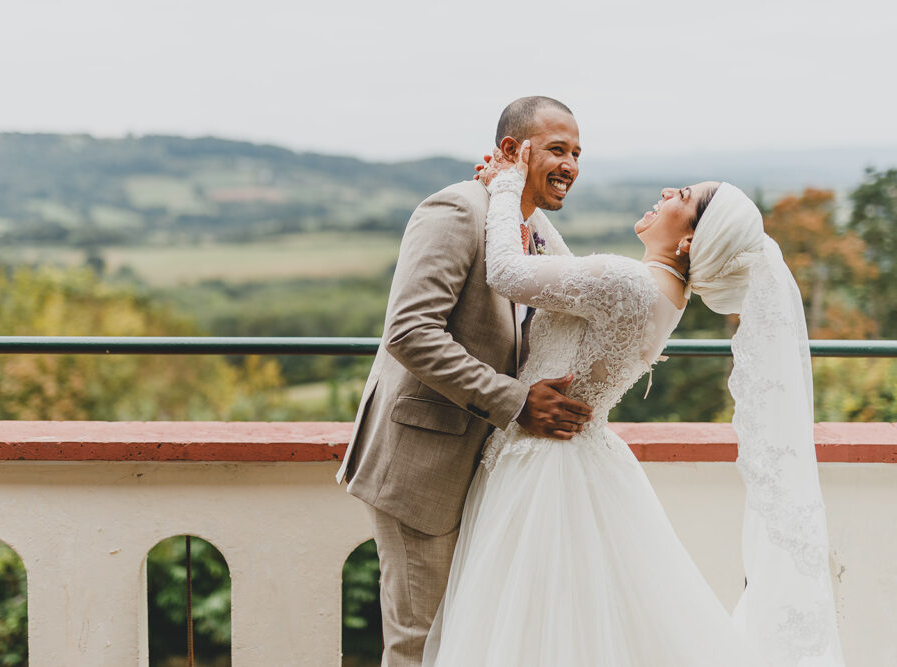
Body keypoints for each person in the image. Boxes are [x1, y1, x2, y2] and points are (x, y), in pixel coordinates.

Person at [421, 142, 845, 666]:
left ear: (689, 238)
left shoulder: (627, 283)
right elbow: (570, 272)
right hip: (577, 457)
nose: (667, 192)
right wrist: (518, 201)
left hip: (541, 465)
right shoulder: (664, 293)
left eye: (682, 196)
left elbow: (507, 272)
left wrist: (508, 186)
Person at [335, 96, 594, 666]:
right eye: (557, 149)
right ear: (511, 150)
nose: (571, 164)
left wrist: (512, 191)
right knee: (418, 644)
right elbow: (409, 332)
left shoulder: (523, 226)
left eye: (577, 152)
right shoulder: (456, 210)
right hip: (421, 466)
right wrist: (515, 401)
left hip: (482, 469)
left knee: (463, 641)